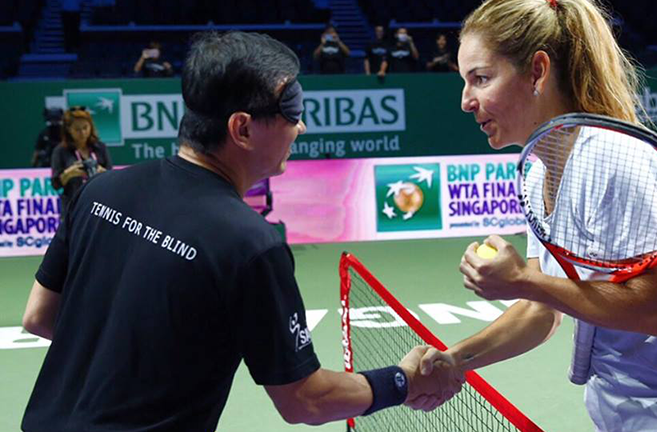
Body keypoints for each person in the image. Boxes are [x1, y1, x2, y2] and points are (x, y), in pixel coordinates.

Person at [21, 31, 462, 432]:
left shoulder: (99, 190)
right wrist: (402, 382)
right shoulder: (250, 245)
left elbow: (39, 317)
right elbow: (304, 400)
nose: (301, 126)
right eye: (291, 111)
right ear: (243, 128)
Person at [418, 1, 657, 432]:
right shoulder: (540, 169)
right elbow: (541, 310)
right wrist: (456, 359)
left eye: (481, 79)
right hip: (620, 411)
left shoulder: (616, 158)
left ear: (537, 72)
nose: (467, 101)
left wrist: (524, 279)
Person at [50, 107, 112, 222]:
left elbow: (112, 177)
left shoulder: (100, 148)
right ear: (69, 130)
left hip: (101, 206)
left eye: (85, 128)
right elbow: (56, 184)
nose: (83, 133)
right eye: (77, 129)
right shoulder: (61, 151)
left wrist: (101, 172)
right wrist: (69, 173)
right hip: (73, 206)